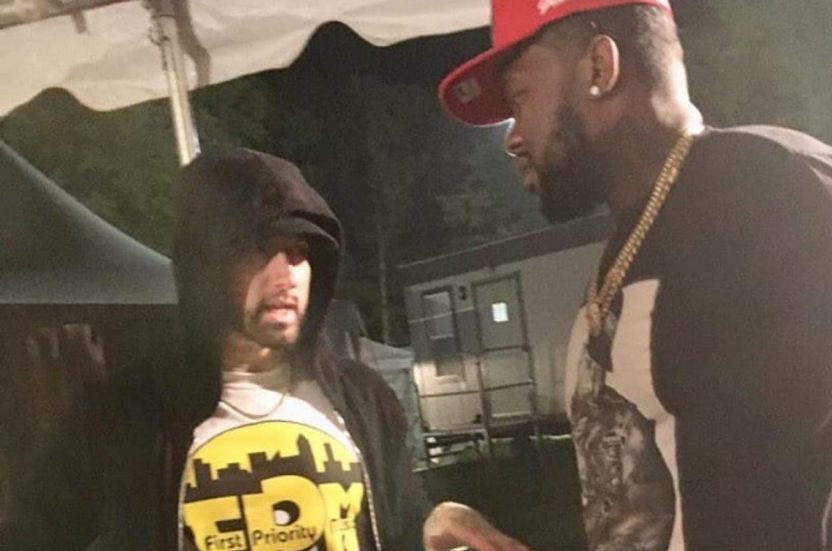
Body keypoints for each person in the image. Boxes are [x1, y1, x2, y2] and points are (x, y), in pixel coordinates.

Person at [438, 1, 832, 550]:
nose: (513, 136)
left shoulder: (773, 191)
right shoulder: (632, 243)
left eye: (520, 98)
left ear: (600, 67)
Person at [0, 146, 526, 551]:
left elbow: (399, 522)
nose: (285, 275)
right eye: (258, 250)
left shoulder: (364, 397)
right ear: (205, 266)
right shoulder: (121, 415)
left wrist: (437, 518)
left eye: (298, 251)